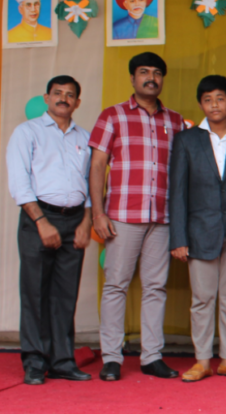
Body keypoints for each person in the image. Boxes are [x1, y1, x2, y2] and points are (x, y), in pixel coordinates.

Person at [89, 52, 184, 381]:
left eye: (157, 73)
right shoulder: (112, 116)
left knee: (156, 287)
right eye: (144, 72)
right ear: (132, 78)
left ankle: (151, 357)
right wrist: (98, 213)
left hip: (162, 217)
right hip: (122, 215)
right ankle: (111, 358)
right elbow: (97, 165)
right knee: (116, 285)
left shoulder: (175, 121)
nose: (151, 78)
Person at [168, 75, 226, 383]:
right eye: (207, 100)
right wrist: (178, 238)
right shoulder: (186, 140)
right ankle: (202, 361)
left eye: (220, 98)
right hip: (199, 232)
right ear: (201, 104)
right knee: (202, 299)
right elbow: (177, 192)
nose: (214, 105)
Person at [7, 76, 91, 385]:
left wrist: (86, 222)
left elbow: (91, 183)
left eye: (70, 95)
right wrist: (42, 222)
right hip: (39, 218)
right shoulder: (27, 132)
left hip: (75, 220)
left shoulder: (85, 137)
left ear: (77, 102)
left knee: (65, 295)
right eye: (57, 93)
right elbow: (20, 181)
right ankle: (34, 361)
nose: (63, 99)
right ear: (46, 97)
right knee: (35, 293)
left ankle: (62, 361)